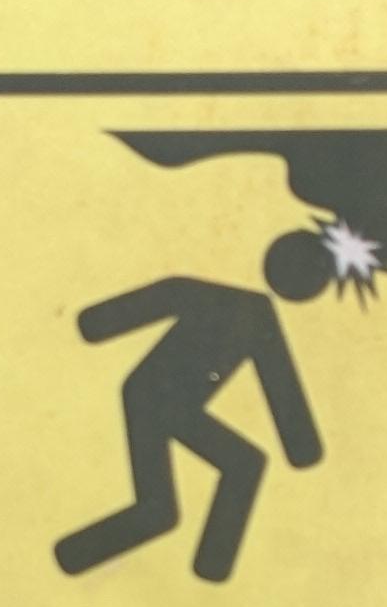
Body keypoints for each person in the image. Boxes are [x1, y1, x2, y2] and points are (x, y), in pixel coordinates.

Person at [53, 232, 337, 584]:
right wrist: (301, 449)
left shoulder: (232, 304)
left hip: (150, 398)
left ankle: (76, 556)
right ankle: (209, 568)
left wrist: (94, 322)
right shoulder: (252, 314)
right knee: (236, 469)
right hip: (157, 402)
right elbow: (283, 391)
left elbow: (281, 387)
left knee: (166, 506)